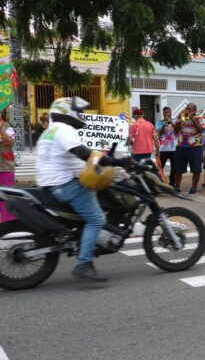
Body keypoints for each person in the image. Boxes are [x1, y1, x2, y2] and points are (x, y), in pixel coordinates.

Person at [35, 97, 127, 282]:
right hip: (64, 184)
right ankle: (84, 263)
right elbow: (83, 154)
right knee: (97, 219)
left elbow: (79, 152)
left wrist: (100, 155)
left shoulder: (51, 131)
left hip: (49, 183)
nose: (82, 115)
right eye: (80, 111)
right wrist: (115, 161)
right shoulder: (64, 129)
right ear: (67, 111)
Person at [173, 102, 205, 195]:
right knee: (177, 168)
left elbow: (201, 130)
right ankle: (177, 187)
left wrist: (192, 119)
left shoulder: (201, 118)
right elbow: (175, 130)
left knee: (196, 168)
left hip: (195, 147)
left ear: (194, 110)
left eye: (189, 109)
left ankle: (194, 187)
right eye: (186, 109)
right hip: (181, 146)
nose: (187, 111)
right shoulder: (182, 117)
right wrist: (180, 120)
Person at [0, 109, 16, 222]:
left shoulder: (8, 127)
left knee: (7, 195)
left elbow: (9, 142)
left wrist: (0, 128)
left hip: (6, 165)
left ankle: (8, 221)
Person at [155, 106, 177, 185]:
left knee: (174, 167)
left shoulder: (175, 121)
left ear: (171, 113)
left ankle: (172, 183)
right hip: (163, 149)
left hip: (174, 148)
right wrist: (165, 124)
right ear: (163, 114)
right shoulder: (159, 122)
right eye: (165, 112)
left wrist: (171, 122)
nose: (166, 114)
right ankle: (158, 183)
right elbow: (159, 132)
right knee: (160, 167)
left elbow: (178, 131)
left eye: (168, 112)